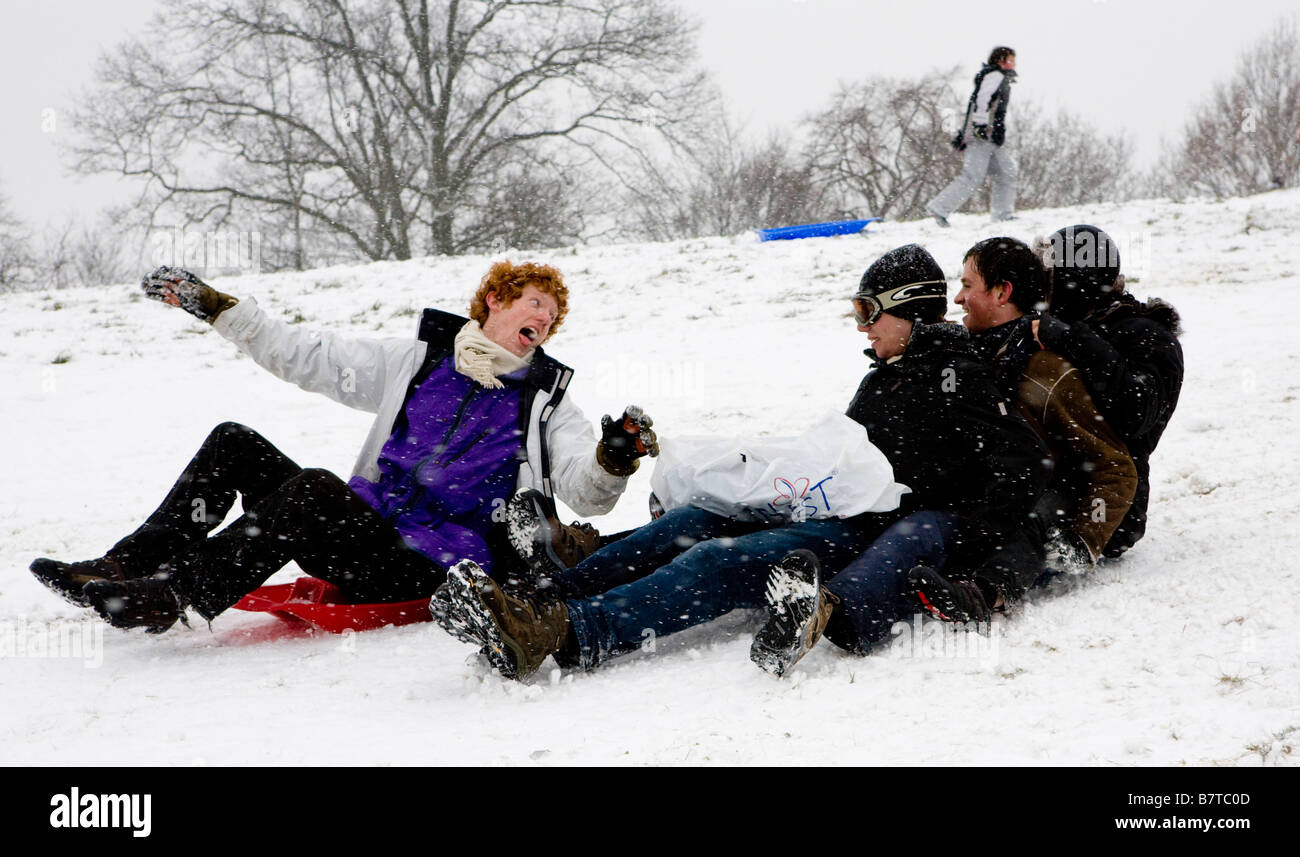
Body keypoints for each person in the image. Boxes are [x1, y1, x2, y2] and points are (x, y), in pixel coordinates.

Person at [432, 244, 1046, 680]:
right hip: (832, 506)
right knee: (689, 521)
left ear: (908, 309)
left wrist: (963, 543)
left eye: (868, 312)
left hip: (873, 528)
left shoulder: (959, 376)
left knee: (718, 559)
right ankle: (542, 598)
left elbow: (1021, 470)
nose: (861, 328)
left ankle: (567, 634)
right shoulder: (885, 377)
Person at [30, 261, 654, 632]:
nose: (543, 321)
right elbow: (311, 358)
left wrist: (612, 459)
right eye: (535, 304)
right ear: (494, 301)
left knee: (315, 490)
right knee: (233, 442)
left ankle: (178, 596)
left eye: (551, 318)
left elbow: (583, 490)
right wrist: (220, 310)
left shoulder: (545, 402)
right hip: (366, 530)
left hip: (432, 562)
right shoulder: (416, 363)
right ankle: (125, 567)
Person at [903, 237, 1140, 624]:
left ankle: (982, 594)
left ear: (1001, 292)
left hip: (1039, 499)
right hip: (982, 492)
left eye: (966, 285)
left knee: (1037, 508)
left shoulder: (1045, 370)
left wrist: (1085, 537)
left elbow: (1114, 466)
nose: (958, 299)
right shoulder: (964, 354)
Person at [1030, 225, 1183, 557]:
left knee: (1017, 527)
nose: (1040, 290)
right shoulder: (1050, 324)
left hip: (1107, 503)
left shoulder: (1148, 336)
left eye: (1048, 279)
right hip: (1049, 473)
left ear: (1074, 281)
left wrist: (1072, 340)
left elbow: (1137, 414)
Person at [927, 46, 1018, 227]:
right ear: (1001, 61)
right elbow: (981, 100)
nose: (1014, 63)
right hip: (983, 135)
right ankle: (938, 209)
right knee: (972, 177)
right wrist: (980, 127)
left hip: (991, 137)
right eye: (1011, 59)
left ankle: (1002, 215)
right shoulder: (995, 76)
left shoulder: (1000, 78)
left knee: (1006, 172)